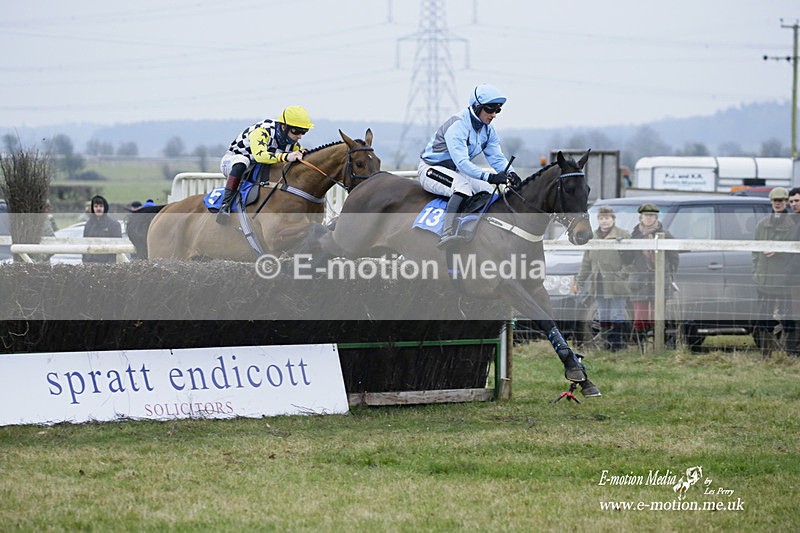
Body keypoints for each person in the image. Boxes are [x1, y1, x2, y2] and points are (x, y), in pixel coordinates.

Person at [418, 84, 521, 248]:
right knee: (463, 186)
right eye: (490, 109)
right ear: (477, 106)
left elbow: (497, 158)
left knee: (488, 188)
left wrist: (511, 174)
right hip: (431, 169)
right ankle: (447, 233)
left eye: (497, 110)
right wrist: (491, 176)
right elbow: (463, 162)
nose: (494, 115)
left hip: (455, 170)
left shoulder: (488, 130)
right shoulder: (458, 125)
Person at [217, 105, 314, 225]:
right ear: (284, 127)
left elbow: (298, 153)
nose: (299, 136)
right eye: (296, 131)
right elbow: (260, 156)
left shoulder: (291, 140)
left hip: (258, 166)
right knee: (242, 162)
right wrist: (286, 156)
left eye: (304, 132)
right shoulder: (263, 131)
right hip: (234, 160)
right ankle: (225, 205)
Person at [576, 206, 631, 351]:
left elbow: (631, 260)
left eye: (607, 218)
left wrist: (622, 275)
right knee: (603, 314)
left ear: (613, 219)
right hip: (598, 282)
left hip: (616, 283)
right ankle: (606, 345)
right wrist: (580, 280)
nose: (604, 221)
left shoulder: (623, 235)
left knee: (617, 313)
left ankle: (618, 345)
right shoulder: (592, 237)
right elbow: (586, 262)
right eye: (601, 218)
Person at [628, 203, 680, 339]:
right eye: (646, 215)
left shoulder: (665, 235)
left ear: (656, 217)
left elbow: (674, 258)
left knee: (658, 315)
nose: (649, 218)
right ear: (641, 217)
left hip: (659, 281)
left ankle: (658, 343)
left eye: (651, 216)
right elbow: (627, 259)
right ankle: (641, 345)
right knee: (640, 315)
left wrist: (670, 275)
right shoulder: (634, 235)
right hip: (640, 282)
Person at [752, 187, 794, 353]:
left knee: (786, 318)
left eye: (781, 201)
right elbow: (755, 252)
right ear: (771, 202)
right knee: (764, 318)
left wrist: (779, 249)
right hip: (764, 279)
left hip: (784, 280)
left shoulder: (793, 225)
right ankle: (766, 351)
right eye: (775, 201)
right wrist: (756, 272)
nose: (778, 204)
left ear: (786, 202)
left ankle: (786, 351)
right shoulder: (762, 224)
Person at [82, 194, 122, 264]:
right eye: (96, 206)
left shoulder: (114, 224)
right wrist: (85, 261)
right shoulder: (88, 225)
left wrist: (110, 264)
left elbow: (117, 247)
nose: (98, 209)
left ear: (105, 208)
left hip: (107, 266)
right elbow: (84, 245)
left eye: (101, 206)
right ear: (92, 208)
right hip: (89, 264)